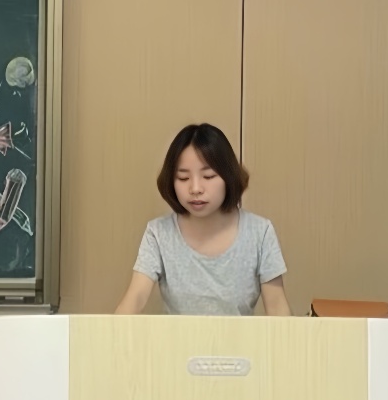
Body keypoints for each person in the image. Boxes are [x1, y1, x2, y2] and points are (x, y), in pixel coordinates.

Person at [114, 123, 291, 316]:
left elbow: (277, 308)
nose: (195, 189)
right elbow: (135, 299)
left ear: (228, 177)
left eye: (208, 176)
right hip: (178, 337)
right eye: (183, 178)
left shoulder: (260, 233)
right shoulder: (158, 233)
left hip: (239, 337)